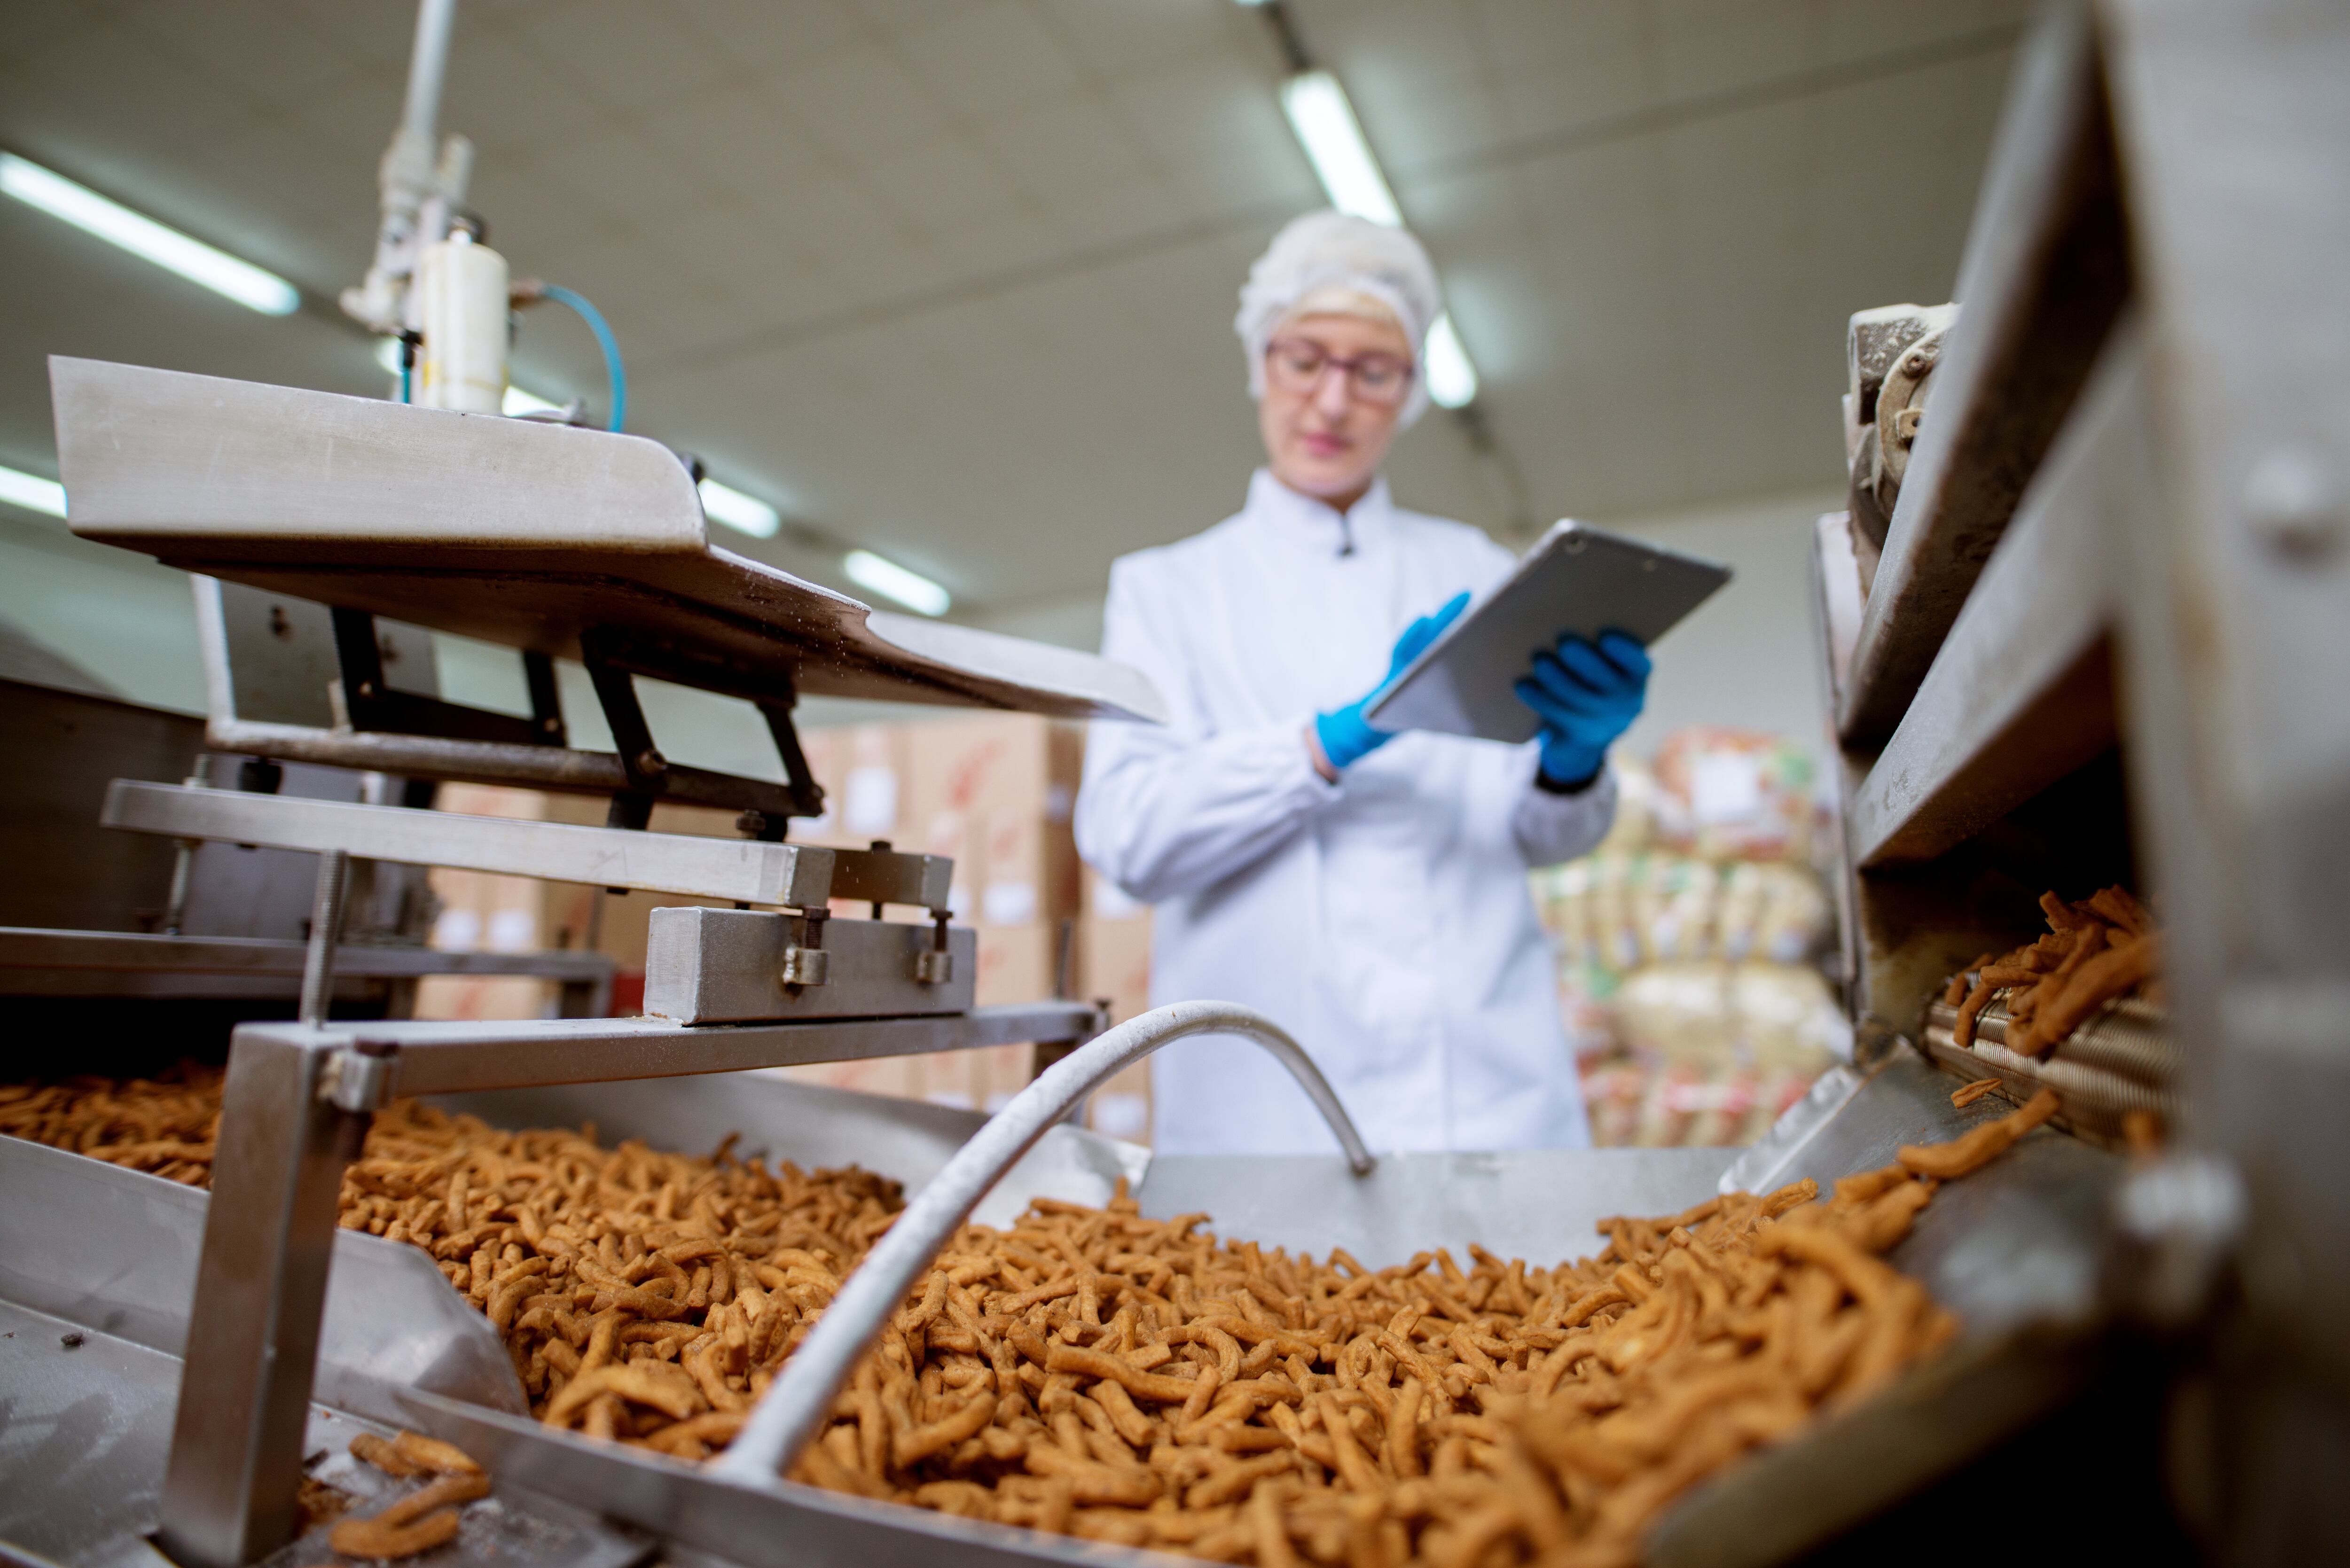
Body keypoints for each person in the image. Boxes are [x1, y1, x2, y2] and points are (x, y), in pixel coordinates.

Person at [1073, 211, 1652, 1157]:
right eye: (1305, 359)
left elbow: (1544, 835)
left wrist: (1572, 765)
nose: (1333, 401)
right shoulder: (1168, 589)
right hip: (1268, 1120)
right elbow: (1130, 836)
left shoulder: (1475, 567)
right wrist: (1329, 740)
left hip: (1487, 1095)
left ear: (1410, 391)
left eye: (1371, 371)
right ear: (1260, 363)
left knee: (1519, 1306)